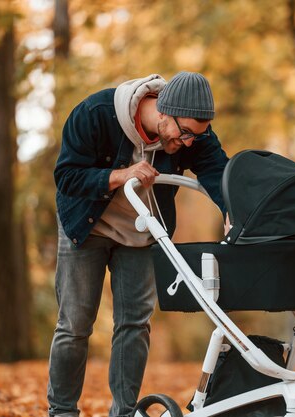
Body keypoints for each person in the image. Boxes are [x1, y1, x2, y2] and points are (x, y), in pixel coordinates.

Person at [48, 72, 228, 417]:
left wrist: (234, 209)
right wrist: (121, 175)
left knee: (135, 324)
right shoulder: (94, 114)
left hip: (142, 234)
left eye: (197, 135)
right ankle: (61, 411)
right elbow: (66, 176)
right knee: (74, 325)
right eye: (185, 133)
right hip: (86, 227)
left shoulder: (192, 133)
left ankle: (125, 412)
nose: (189, 143)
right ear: (163, 111)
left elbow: (219, 173)